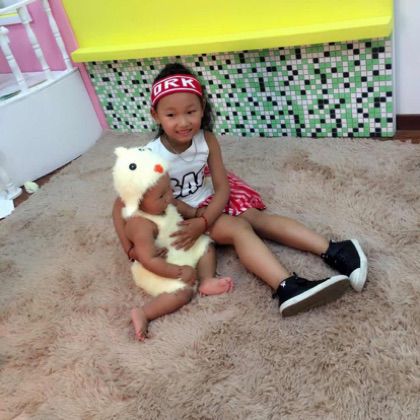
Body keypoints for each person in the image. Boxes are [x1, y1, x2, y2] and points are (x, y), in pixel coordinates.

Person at [113, 62, 368, 317]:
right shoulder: (147, 157)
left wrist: (204, 221)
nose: (183, 122)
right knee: (239, 228)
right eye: (171, 115)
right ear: (156, 115)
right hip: (178, 218)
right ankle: (286, 285)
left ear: (202, 108)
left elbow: (222, 188)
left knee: (255, 218)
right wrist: (129, 248)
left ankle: (336, 250)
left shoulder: (206, 139)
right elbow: (119, 204)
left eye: (191, 111)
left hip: (206, 205)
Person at [113, 146, 233, 341]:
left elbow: (178, 205)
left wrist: (195, 213)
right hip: (160, 265)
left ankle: (207, 280)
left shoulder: (165, 201)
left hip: (178, 246)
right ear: (138, 202)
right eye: (162, 195)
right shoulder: (140, 225)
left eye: (169, 189)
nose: (169, 196)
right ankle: (145, 313)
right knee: (183, 292)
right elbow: (149, 260)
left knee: (206, 244)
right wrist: (178, 272)